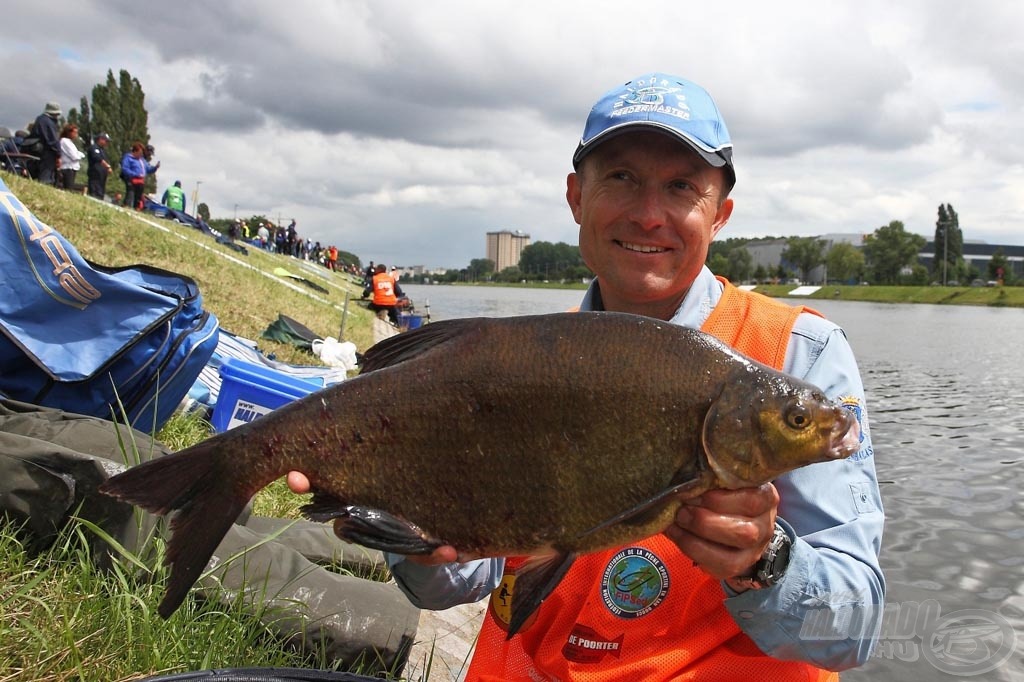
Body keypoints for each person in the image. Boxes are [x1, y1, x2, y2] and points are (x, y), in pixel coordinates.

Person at [292, 72, 885, 679]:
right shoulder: (520, 364)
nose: (650, 215)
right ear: (577, 196)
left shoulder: (798, 357)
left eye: (682, 187)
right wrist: (412, 532)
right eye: (622, 178)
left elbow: (853, 629)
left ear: (720, 213)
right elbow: (453, 582)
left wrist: (766, 559)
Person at [32, 101, 61, 186]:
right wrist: (58, 154)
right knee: (46, 176)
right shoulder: (49, 122)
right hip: (47, 152)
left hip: (37, 149)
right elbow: (53, 140)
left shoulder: (39, 119)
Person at [120, 143, 148, 210]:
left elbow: (147, 168)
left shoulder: (141, 160)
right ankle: (126, 206)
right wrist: (135, 174)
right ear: (135, 151)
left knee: (138, 196)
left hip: (139, 181)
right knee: (130, 194)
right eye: (140, 153)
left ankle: (137, 208)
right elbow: (125, 168)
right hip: (130, 179)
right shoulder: (128, 158)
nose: (141, 155)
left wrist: (155, 168)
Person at [86, 133, 113, 199]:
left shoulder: (103, 150)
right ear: (100, 139)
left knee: (100, 193)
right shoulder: (94, 148)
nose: (107, 143)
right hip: (95, 174)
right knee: (94, 193)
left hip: (102, 176)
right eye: (106, 141)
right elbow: (97, 158)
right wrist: (108, 166)